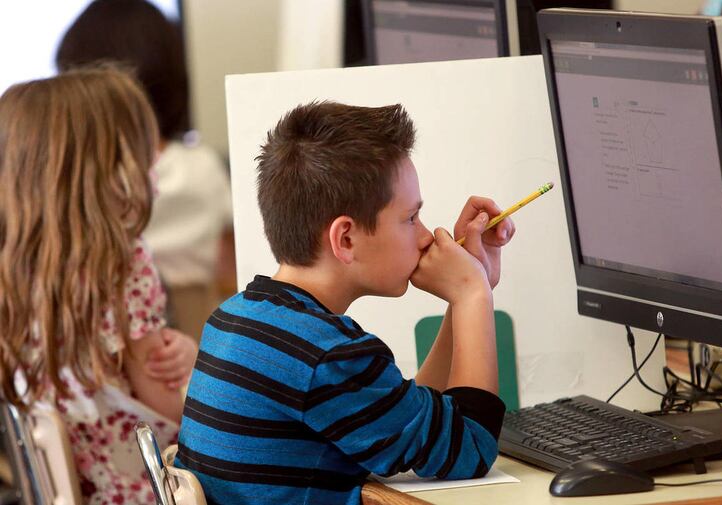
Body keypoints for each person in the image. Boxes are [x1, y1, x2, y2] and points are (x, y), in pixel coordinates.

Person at [175, 101, 515, 504]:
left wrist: (465, 296)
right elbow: (471, 449)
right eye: (410, 218)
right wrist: (473, 294)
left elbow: (413, 426)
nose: (426, 236)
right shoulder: (328, 357)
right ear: (346, 238)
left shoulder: (235, 319)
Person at [0, 67, 198, 504]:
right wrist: (195, 365)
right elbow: (167, 405)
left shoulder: (12, 273)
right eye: (144, 154)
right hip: (144, 491)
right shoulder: (123, 264)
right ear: (107, 170)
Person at [56, 0, 234, 341]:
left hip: (107, 348)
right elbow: (233, 269)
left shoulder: (73, 182)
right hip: (201, 343)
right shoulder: (203, 169)